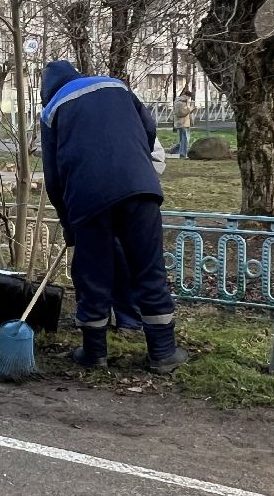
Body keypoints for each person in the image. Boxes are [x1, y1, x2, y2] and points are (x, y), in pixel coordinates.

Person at [40, 60, 190, 374]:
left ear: (46, 90)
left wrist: (69, 224)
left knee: (93, 273)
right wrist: (131, 158)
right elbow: (148, 129)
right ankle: (162, 352)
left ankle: (94, 354)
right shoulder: (115, 85)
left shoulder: (52, 109)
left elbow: (53, 177)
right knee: (149, 268)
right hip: (139, 189)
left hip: (87, 198)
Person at [173, 88, 197, 159]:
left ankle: (174, 151)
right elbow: (180, 113)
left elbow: (186, 112)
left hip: (185, 123)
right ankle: (182, 154)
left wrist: (192, 110)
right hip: (181, 123)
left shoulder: (185, 102)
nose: (189, 99)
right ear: (187, 96)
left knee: (183, 140)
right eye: (189, 97)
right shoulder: (179, 103)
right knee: (184, 140)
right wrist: (189, 109)